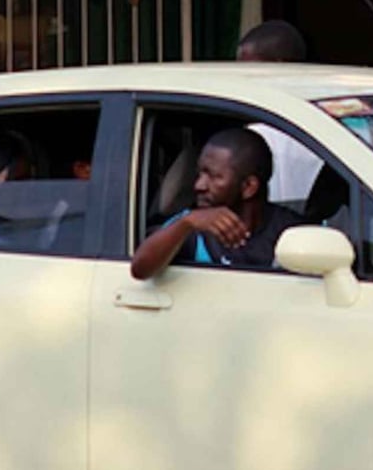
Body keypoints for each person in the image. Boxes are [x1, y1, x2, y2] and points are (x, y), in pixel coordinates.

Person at [130, 127, 304, 278]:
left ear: (248, 187)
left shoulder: (290, 231)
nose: (199, 185)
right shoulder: (191, 225)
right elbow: (140, 269)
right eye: (200, 174)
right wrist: (186, 223)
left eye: (213, 176)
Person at [236, 20, 325, 206]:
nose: (240, 78)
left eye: (248, 69)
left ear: (279, 66)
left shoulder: (262, 136)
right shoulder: (331, 123)